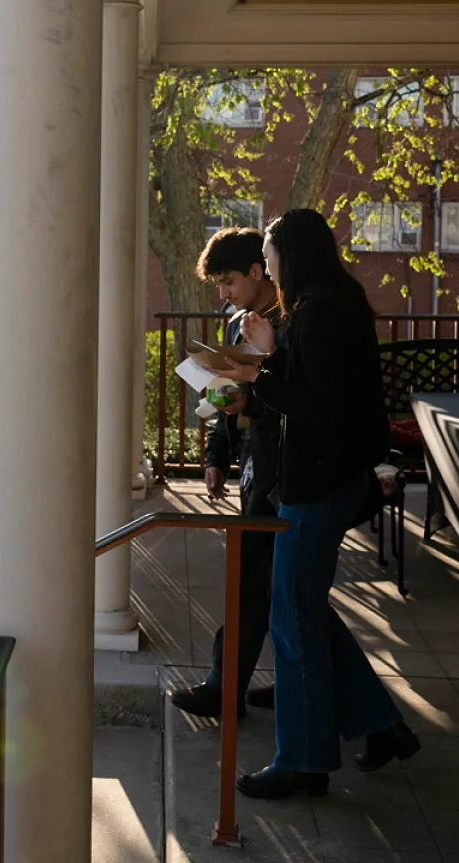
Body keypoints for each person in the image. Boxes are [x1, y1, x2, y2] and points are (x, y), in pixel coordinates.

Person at [214, 208, 418, 799]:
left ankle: (305, 762)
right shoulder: (328, 305)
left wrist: (262, 366)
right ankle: (381, 726)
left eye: (272, 256)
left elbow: (314, 405)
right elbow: (310, 391)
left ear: (291, 256)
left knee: (293, 620)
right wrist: (270, 356)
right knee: (301, 608)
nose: (268, 266)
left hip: (319, 483)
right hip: (321, 478)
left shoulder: (322, 313)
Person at [169, 227, 282, 719]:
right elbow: (226, 389)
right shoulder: (242, 323)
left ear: (258, 272)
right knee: (275, 586)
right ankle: (302, 681)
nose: (223, 294)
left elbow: (279, 397)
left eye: (229, 281)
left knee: (255, 582)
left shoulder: (287, 323)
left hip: (282, 471)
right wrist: (216, 456)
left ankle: (223, 686)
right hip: (257, 466)